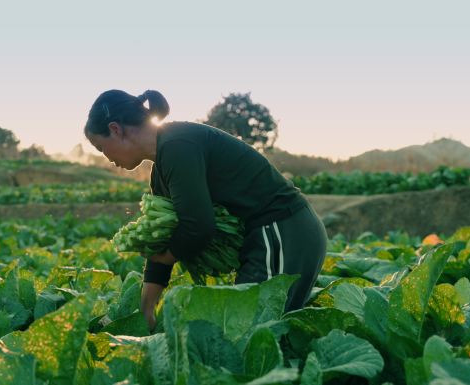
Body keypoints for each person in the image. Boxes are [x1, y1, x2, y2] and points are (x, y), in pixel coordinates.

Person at [84, 89, 327, 331]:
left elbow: (198, 227)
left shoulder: (178, 145)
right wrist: (146, 309)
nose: (107, 158)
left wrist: (166, 255)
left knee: (246, 335)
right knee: (253, 336)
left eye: (101, 148)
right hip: (274, 237)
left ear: (115, 129)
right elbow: (164, 240)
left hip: (282, 231)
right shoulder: (162, 168)